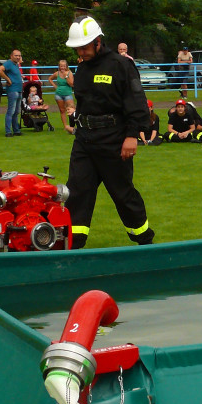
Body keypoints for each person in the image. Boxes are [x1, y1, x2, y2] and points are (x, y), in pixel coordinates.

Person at [63, 15, 154, 248]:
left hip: (114, 141)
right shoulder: (81, 69)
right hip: (84, 140)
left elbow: (136, 102)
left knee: (122, 194)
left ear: (98, 41)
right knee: (76, 192)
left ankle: (144, 240)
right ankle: (73, 245)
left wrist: (132, 135)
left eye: (83, 47)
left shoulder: (121, 65)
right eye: (77, 49)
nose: (80, 53)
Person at [0, 48, 25, 137]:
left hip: (18, 89)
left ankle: (16, 130)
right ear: (11, 56)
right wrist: (7, 79)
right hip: (13, 90)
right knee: (11, 111)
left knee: (16, 111)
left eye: (19, 55)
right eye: (16, 55)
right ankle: (8, 131)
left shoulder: (16, 64)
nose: (18, 57)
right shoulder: (9, 63)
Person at [48, 59, 76, 133]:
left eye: (64, 66)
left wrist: (66, 76)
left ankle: (72, 126)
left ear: (66, 66)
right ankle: (65, 126)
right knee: (62, 110)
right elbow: (50, 79)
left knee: (71, 109)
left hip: (67, 94)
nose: (62, 68)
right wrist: (55, 86)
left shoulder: (69, 73)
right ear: (59, 66)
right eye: (61, 66)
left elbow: (72, 84)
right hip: (58, 94)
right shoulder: (57, 73)